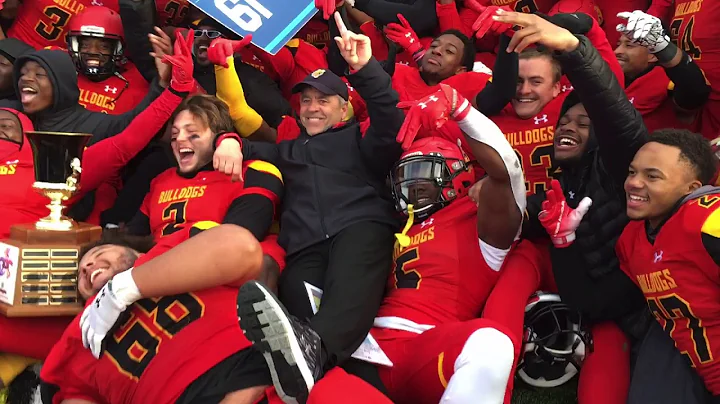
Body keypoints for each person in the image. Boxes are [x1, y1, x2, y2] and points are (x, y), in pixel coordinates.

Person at [219, 12, 405, 403]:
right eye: (306, 101)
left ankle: (316, 360)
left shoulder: (361, 140)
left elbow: (391, 120)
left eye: (324, 101)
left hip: (360, 228)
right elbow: (248, 143)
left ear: (344, 110)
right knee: (300, 323)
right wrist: (230, 140)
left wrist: (366, 68)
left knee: (335, 315)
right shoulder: (286, 149)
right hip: (303, 246)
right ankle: (327, 373)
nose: (313, 108)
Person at [488, 9, 649, 404]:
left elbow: (614, 114)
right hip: (602, 302)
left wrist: (576, 46)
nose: (567, 128)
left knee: (617, 345)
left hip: (644, 309)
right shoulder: (562, 189)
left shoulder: (618, 168)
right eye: (565, 122)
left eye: (582, 124)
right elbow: (587, 301)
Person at [40, 222, 271, 404]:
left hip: (257, 369)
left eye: (99, 252)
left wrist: (125, 287)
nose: (87, 267)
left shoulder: (176, 248)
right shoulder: (81, 337)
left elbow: (244, 248)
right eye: (81, 274)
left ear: (131, 247)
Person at [616, 129, 720, 401]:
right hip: (688, 357)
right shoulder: (632, 238)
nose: (633, 183)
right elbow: (604, 302)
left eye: (652, 176)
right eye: (631, 172)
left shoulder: (706, 219)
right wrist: (565, 243)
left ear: (692, 189)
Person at [614, 9, 711, 133]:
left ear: (653, 54)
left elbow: (695, 89)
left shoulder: (669, 81)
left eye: (629, 45)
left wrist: (661, 47)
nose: (617, 51)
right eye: (618, 44)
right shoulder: (617, 79)